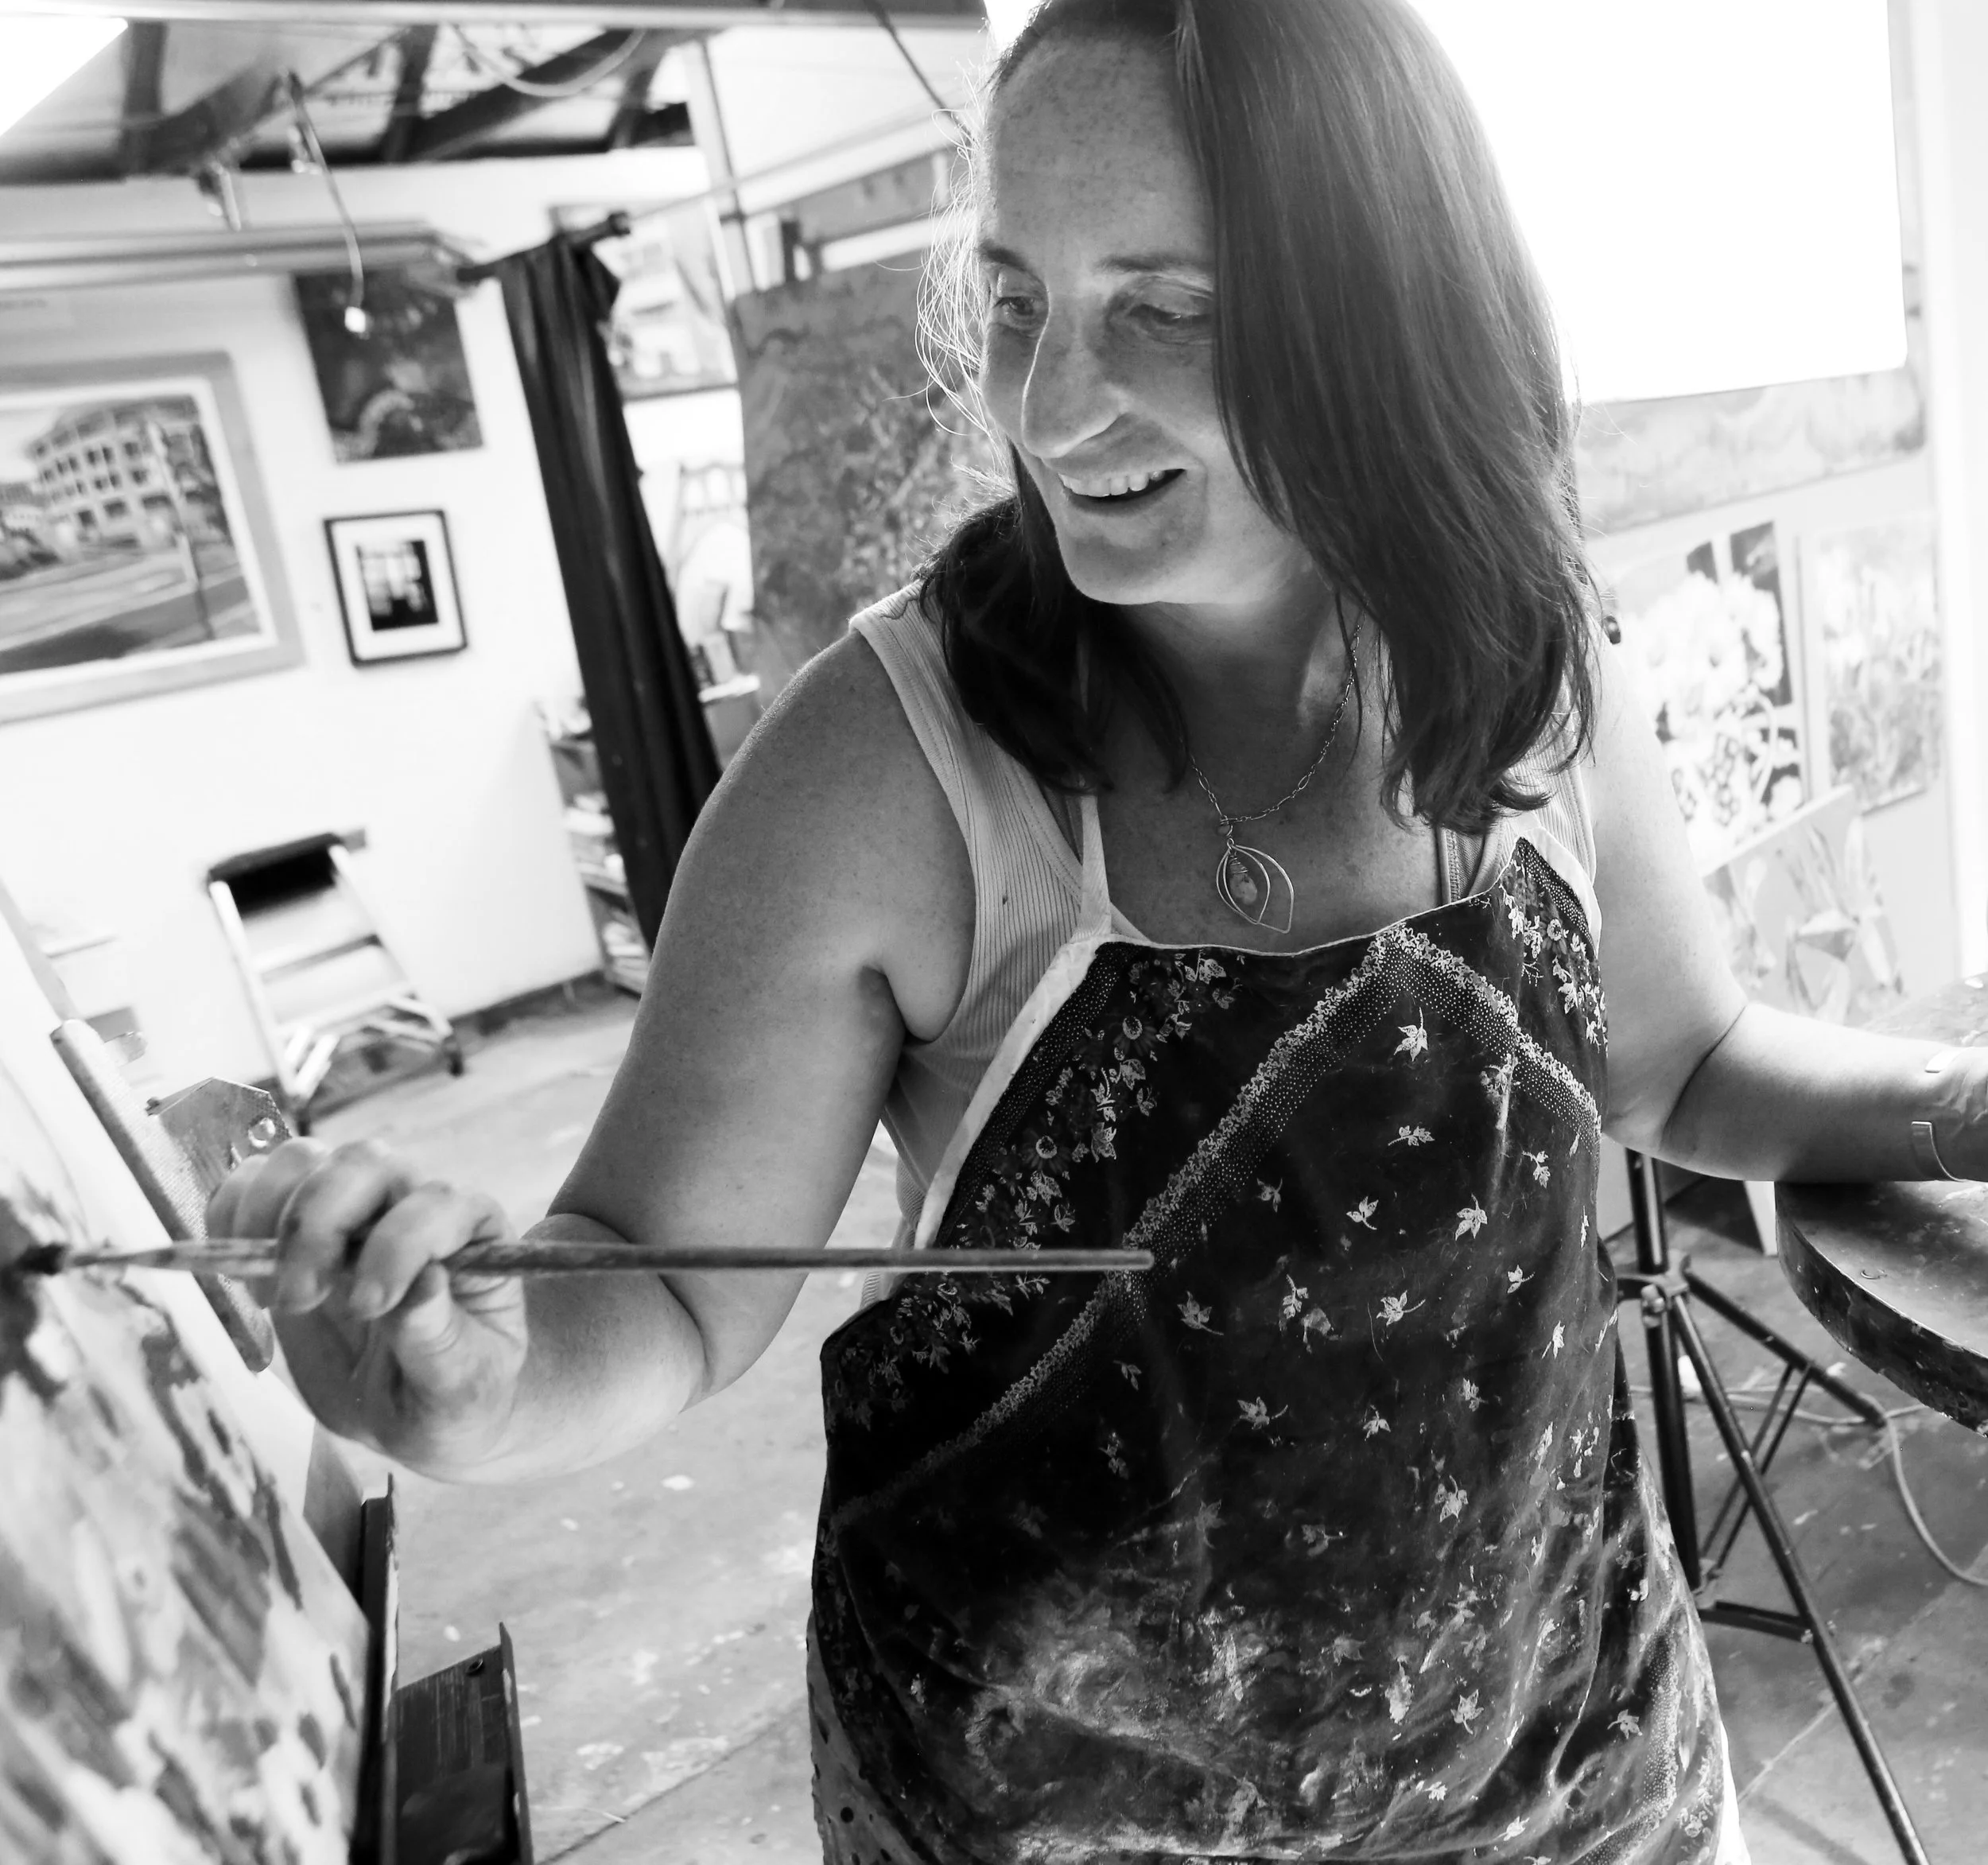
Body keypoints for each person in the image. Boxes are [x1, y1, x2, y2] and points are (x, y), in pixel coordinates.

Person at [211, 3, 1983, 1860]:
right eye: (1014, 299)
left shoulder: (1519, 657)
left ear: (1392, 310)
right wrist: (481, 1374)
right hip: (1054, 1808)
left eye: (1167, 306)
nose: (1048, 404)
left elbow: (1681, 1059)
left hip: (1566, 1754)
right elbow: (655, 1276)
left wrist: (1965, 1102)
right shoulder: (889, 772)